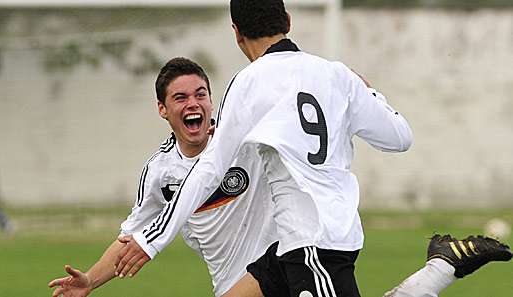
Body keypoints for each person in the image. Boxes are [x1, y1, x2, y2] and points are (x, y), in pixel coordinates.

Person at [114, 1, 511, 297]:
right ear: (288, 22)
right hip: (324, 238)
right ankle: (442, 265)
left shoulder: (250, 82)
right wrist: (367, 90)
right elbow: (399, 137)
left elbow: (208, 170)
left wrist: (152, 240)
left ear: (236, 33)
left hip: (310, 242)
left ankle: (441, 268)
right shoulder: (335, 75)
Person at [48, 57, 277, 297]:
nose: (193, 104)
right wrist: (90, 280)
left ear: (211, 100)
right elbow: (131, 237)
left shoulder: (246, 142)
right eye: (181, 98)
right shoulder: (160, 172)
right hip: (228, 283)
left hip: (283, 268)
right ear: (162, 109)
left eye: (201, 95)